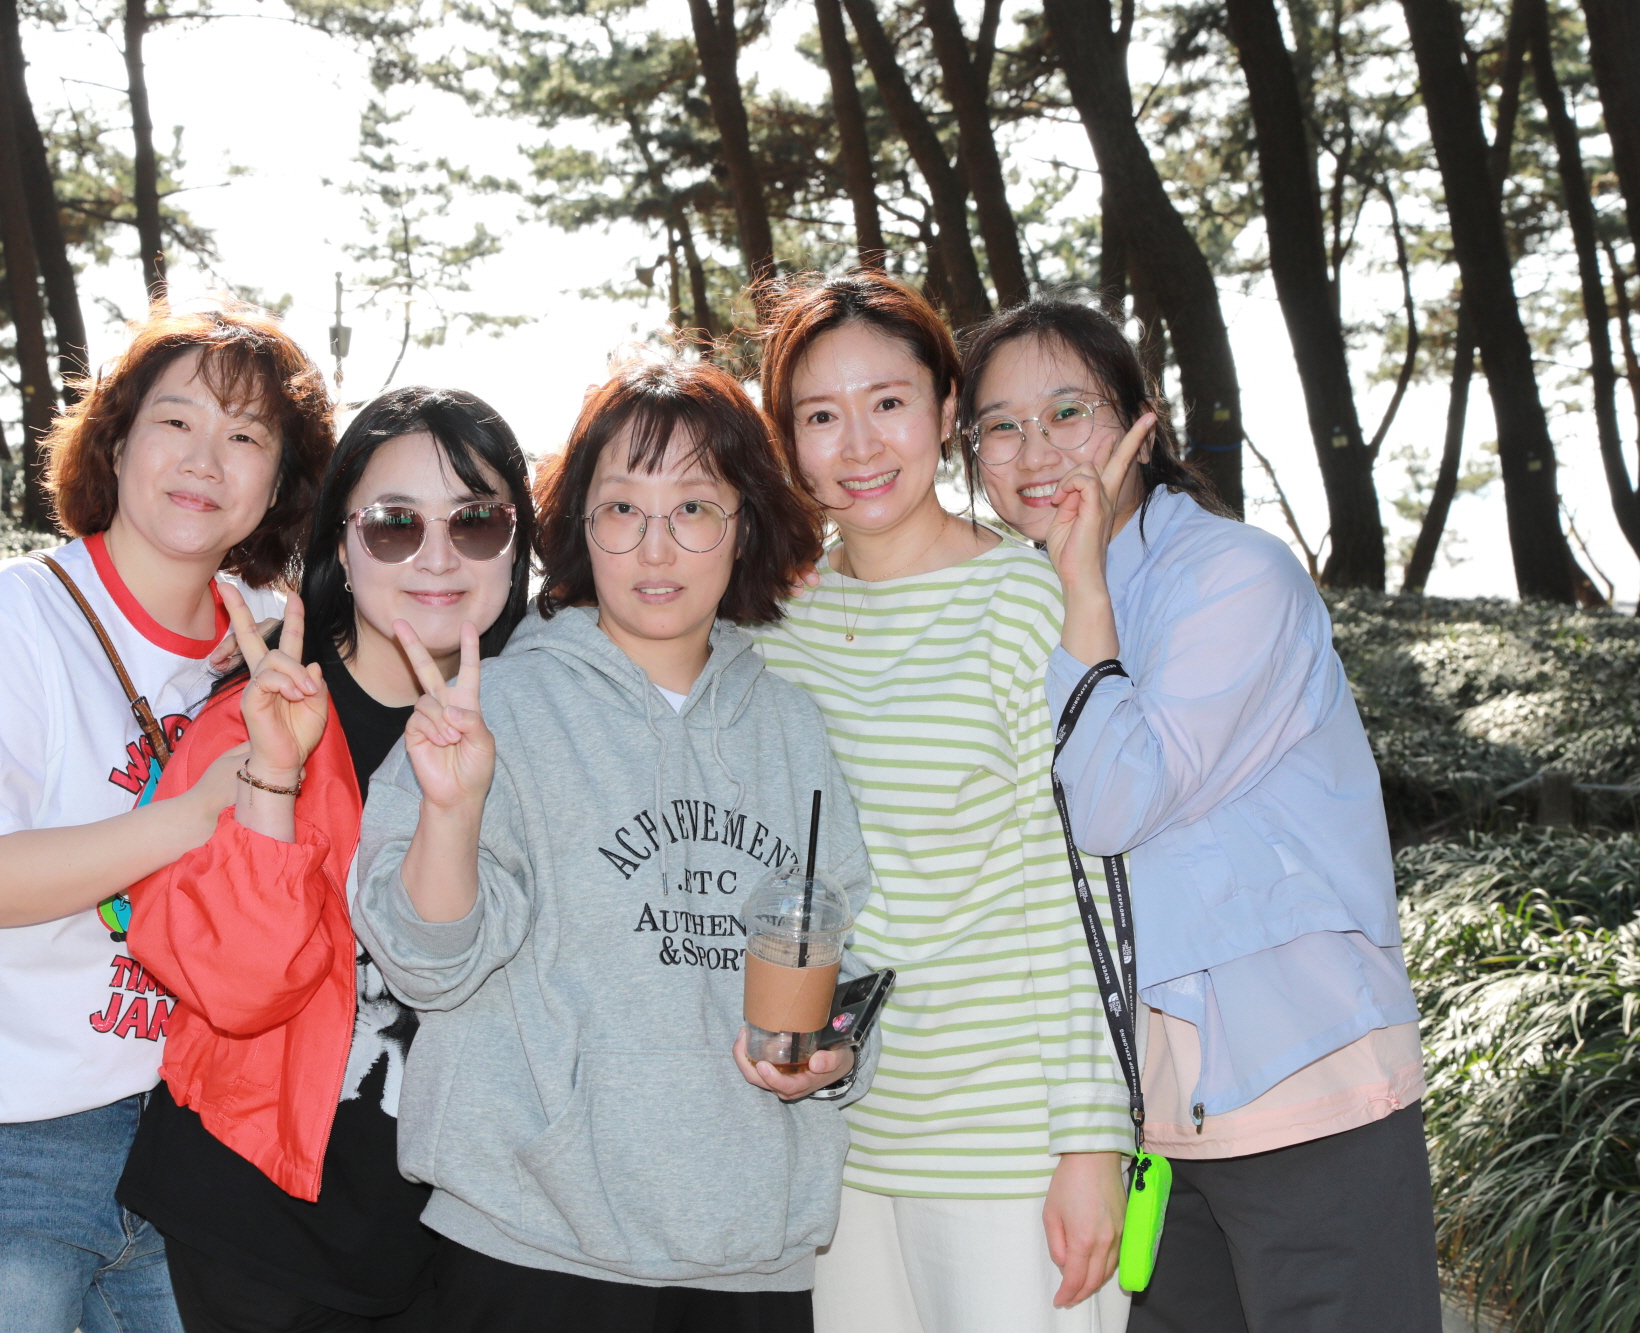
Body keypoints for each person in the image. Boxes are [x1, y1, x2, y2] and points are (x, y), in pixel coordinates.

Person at [350, 352, 878, 1331]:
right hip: (529, 1248)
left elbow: (847, 962)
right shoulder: (490, 710)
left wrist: (829, 1053)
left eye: (694, 508)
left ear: (743, 526)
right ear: (579, 527)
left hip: (751, 1265)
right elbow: (426, 963)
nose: (656, 546)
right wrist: (453, 811)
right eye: (623, 508)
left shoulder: (792, 728)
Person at [962, 295, 1439, 1332]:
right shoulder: (1022, 602)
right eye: (1000, 425)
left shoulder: (1230, 576)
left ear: (1141, 424)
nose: (1034, 450)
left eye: (1068, 411)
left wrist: (1085, 599)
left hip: (1301, 1083)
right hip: (1160, 1120)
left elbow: (1115, 803)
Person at [0, 302, 333, 1333]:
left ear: (278, 483)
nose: (204, 459)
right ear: (116, 442)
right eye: (176, 421)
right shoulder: (17, 612)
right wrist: (199, 810)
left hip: (183, 1144)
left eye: (246, 436)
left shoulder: (271, 645)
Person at [751, 271, 1133, 1333]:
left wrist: (1090, 1141)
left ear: (945, 407)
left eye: (888, 402)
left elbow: (1076, 885)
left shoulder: (1022, 598)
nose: (860, 445)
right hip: (834, 1143)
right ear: (788, 442)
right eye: (820, 416)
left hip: (1008, 1143)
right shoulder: (773, 627)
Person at [114, 387, 538, 1333]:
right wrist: (274, 772)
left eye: (476, 521)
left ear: (518, 544)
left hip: (454, 1248)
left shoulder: (543, 726)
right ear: (342, 544)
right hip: (251, 1235)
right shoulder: (256, 712)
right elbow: (235, 986)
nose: (436, 556)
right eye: (394, 524)